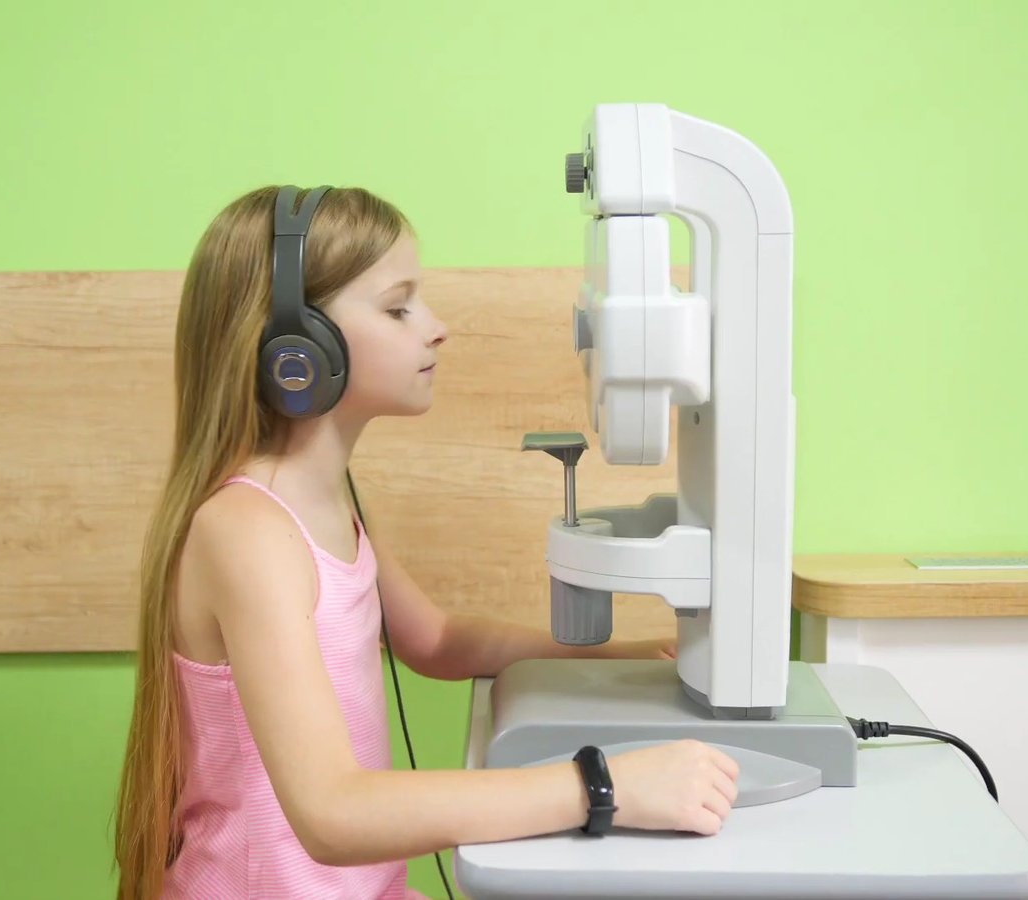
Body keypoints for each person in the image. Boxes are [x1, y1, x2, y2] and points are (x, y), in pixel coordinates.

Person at [112, 184, 740, 900]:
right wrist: (606, 786)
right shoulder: (247, 533)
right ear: (298, 347)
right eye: (397, 307)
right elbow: (332, 813)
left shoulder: (330, 500)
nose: (437, 328)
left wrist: (620, 660)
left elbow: (436, 641)